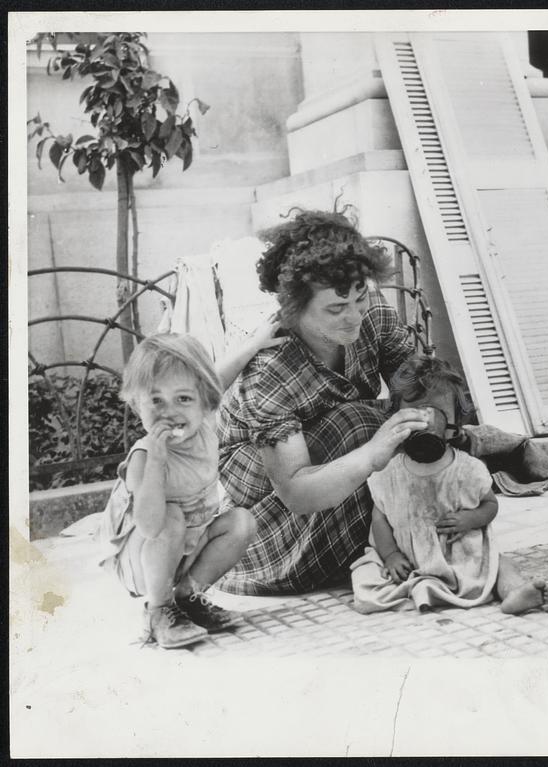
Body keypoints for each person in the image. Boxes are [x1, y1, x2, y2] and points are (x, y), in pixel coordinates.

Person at [215, 209, 430, 595]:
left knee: (408, 424)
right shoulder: (270, 368)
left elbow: (417, 384)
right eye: (335, 308)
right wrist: (373, 454)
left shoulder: (371, 310)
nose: (353, 318)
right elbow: (296, 492)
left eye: (359, 300)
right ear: (295, 308)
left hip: (334, 460)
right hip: (262, 496)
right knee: (361, 425)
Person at [350, 355, 548, 615]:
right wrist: (390, 555)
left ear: (454, 423)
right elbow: (379, 517)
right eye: (414, 412)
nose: (425, 422)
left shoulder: (466, 469)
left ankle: (515, 592)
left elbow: (490, 504)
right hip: (409, 557)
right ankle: (421, 582)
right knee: (365, 575)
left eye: (436, 414)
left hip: (461, 555)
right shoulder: (388, 470)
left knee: (498, 564)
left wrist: (472, 519)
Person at [98, 333, 257, 649]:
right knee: (169, 517)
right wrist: (158, 460)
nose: (169, 412)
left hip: (187, 547)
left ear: (204, 402)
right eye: (156, 400)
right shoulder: (144, 457)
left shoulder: (205, 426)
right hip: (142, 561)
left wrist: (255, 342)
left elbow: (219, 379)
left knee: (241, 522)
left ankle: (188, 599)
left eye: (183, 399)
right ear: (136, 404)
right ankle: (158, 611)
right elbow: (149, 526)